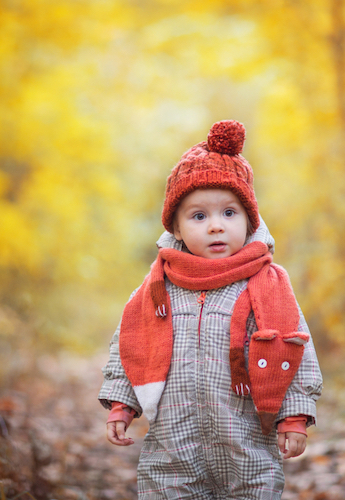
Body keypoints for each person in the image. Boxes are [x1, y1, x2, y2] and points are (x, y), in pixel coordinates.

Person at [98, 120, 323, 500]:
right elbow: (131, 346)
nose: (216, 226)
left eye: (229, 213)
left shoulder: (265, 286)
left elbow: (295, 348)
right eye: (199, 216)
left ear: (249, 219)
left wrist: (295, 415)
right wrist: (122, 404)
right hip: (173, 448)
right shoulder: (157, 288)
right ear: (177, 229)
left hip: (247, 442)